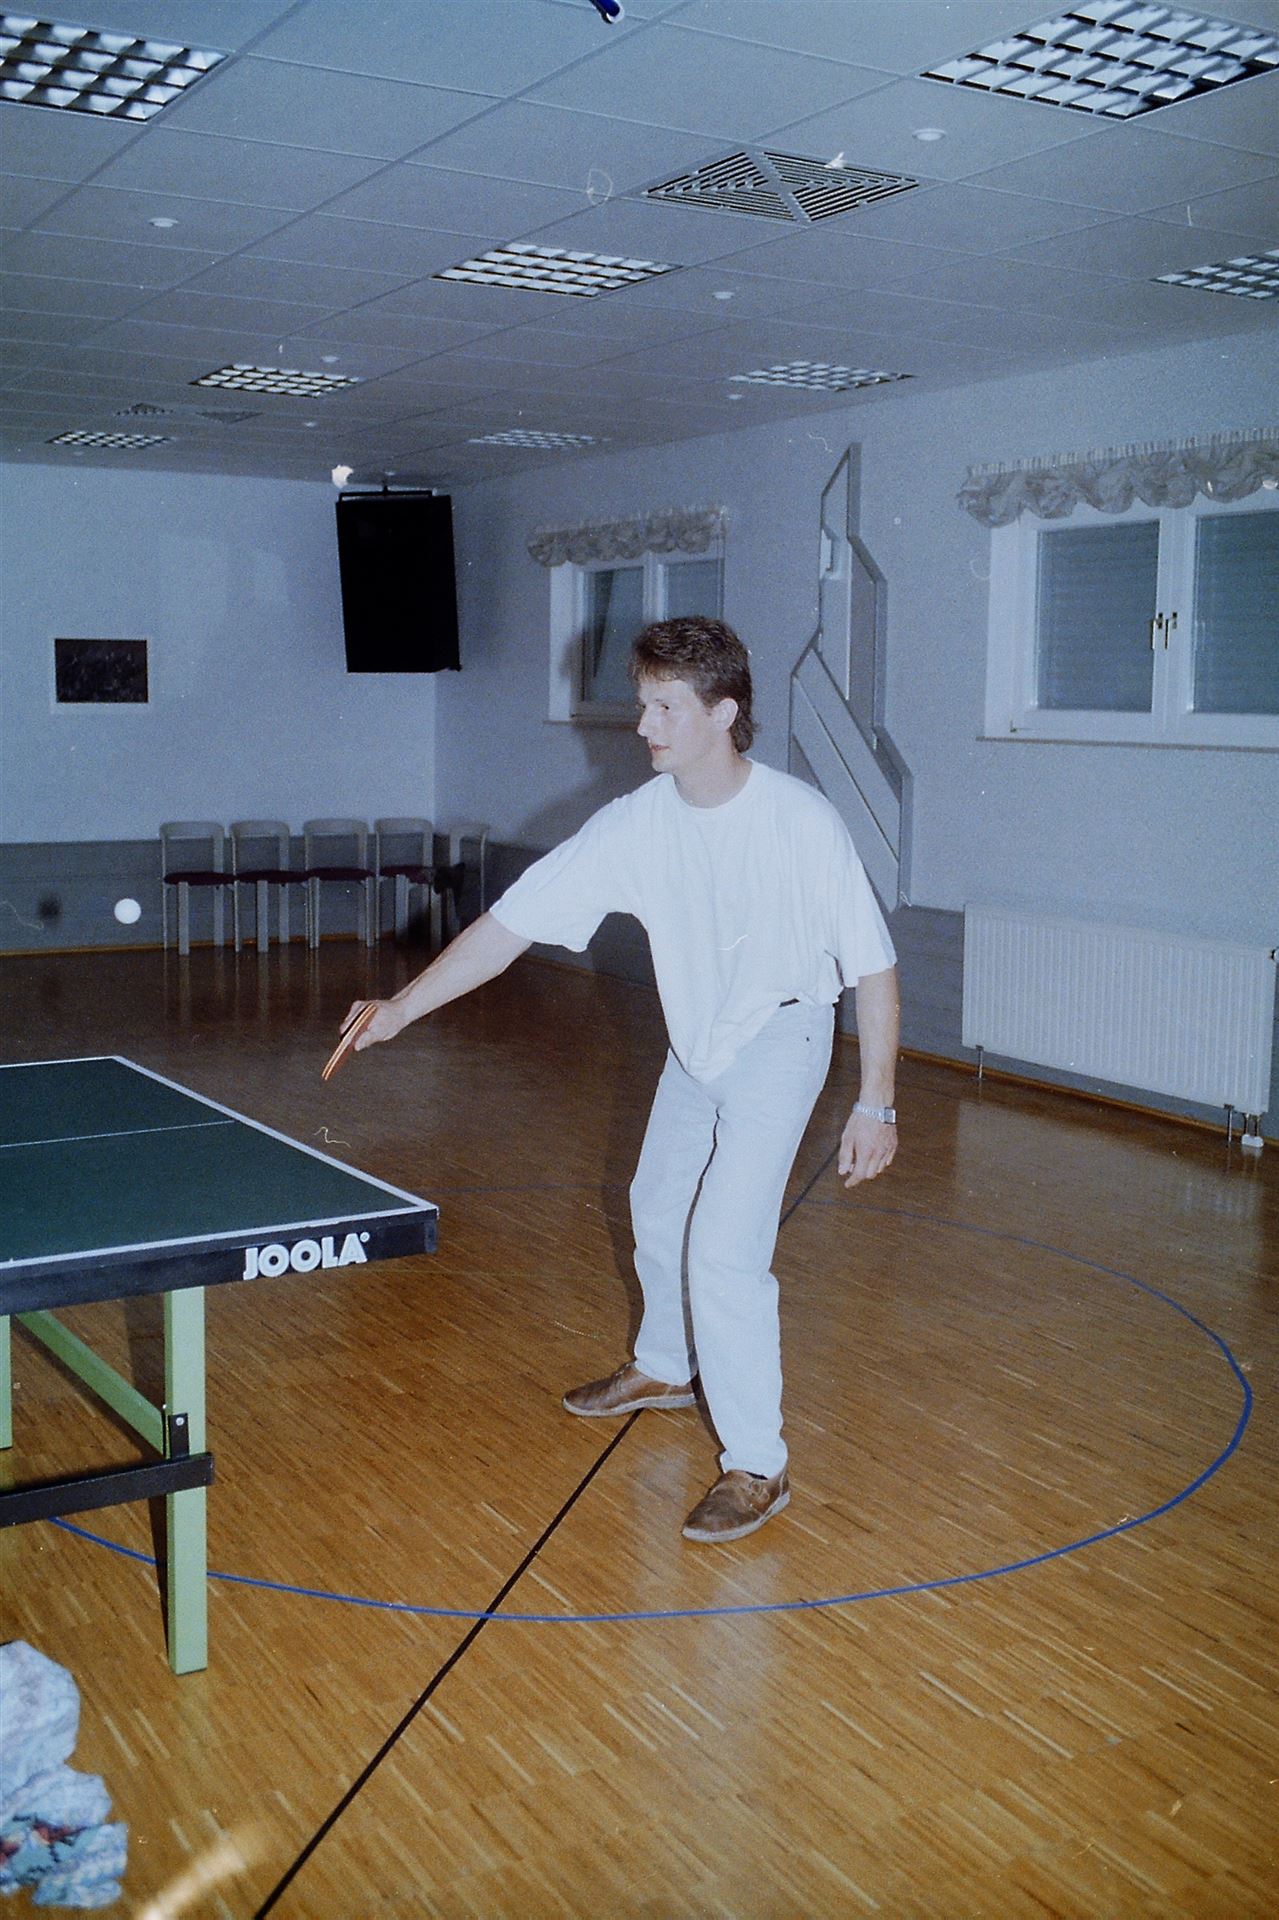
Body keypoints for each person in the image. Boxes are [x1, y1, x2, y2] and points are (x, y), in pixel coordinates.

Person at [339, 616, 899, 1544]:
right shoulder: (636, 823)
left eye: (664, 707)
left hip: (782, 1037)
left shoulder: (801, 822)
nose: (643, 726)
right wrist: (401, 1007)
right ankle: (667, 1367)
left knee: (722, 1250)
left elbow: (873, 966)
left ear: (723, 712)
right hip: (697, 1043)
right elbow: (508, 928)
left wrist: (874, 1101)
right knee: (653, 1205)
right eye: (643, 705)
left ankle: (757, 1464)